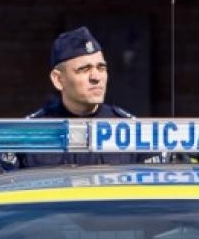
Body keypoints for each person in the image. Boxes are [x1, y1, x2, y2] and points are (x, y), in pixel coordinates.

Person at [19, 27, 137, 167]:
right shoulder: (30, 133)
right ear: (58, 79)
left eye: (101, 68)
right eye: (84, 69)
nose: (96, 77)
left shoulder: (132, 129)